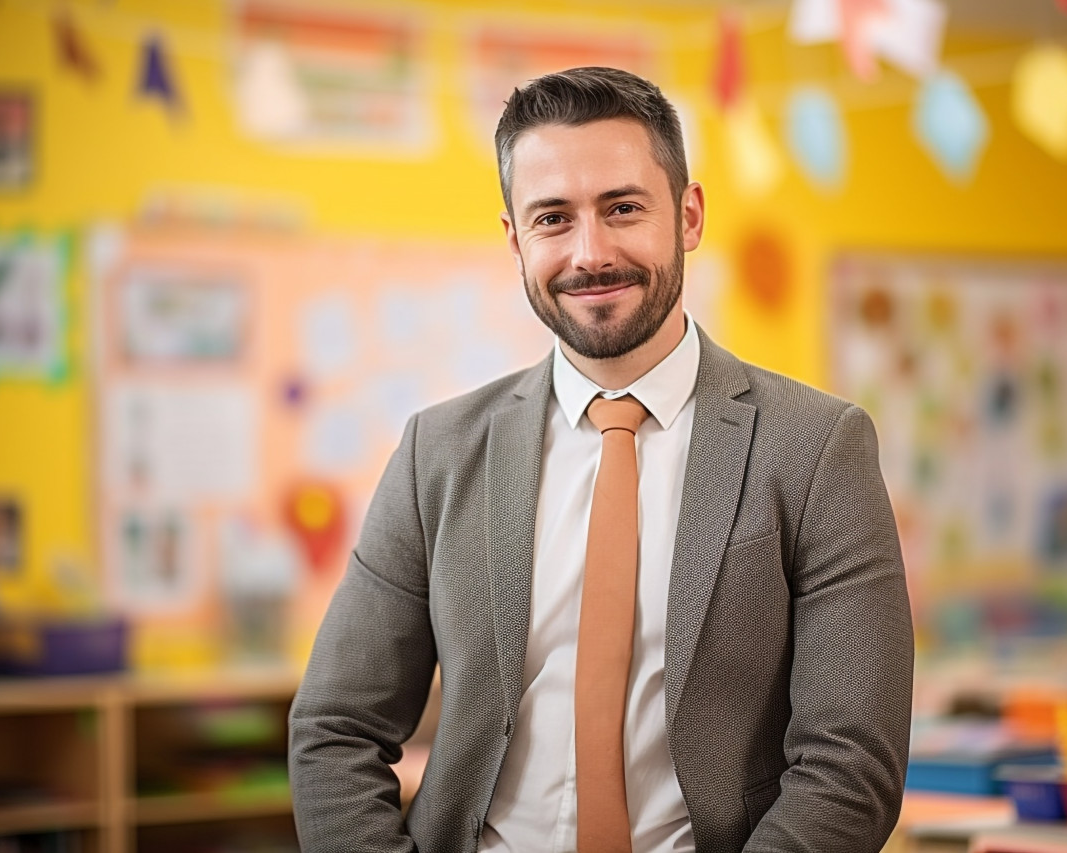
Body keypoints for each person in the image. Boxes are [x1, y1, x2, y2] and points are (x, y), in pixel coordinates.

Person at [289, 66, 913, 853]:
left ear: (687, 215)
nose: (590, 253)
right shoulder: (436, 454)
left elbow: (851, 761)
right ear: (516, 239)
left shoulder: (817, 448)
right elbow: (334, 726)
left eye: (622, 207)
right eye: (553, 218)